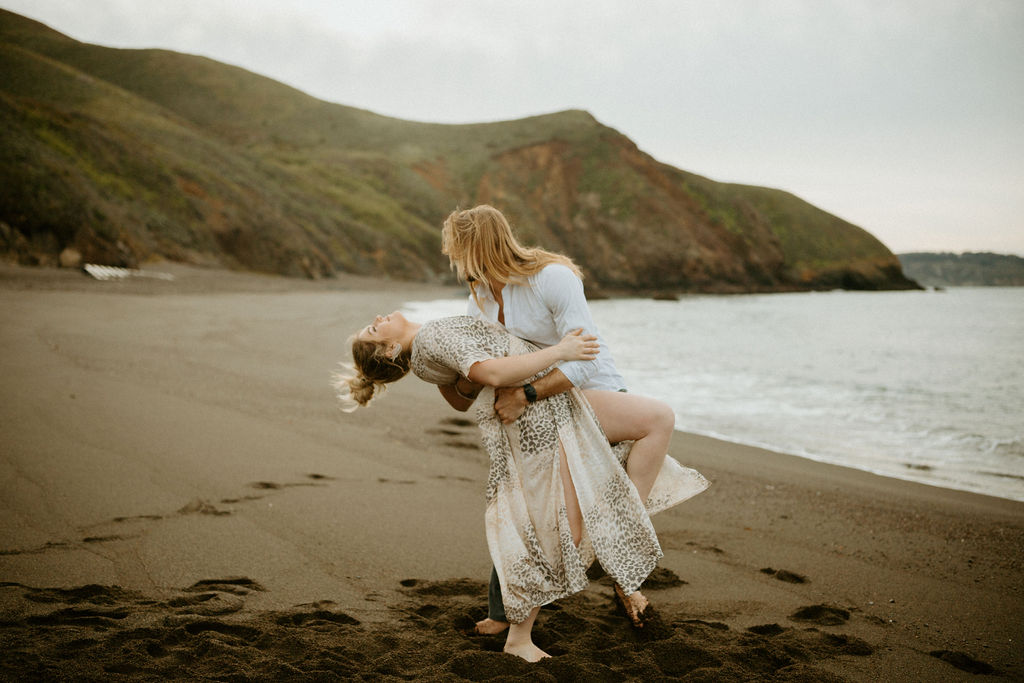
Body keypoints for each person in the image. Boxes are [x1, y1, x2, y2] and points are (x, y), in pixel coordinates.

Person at [335, 311, 708, 662]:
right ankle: (518, 640)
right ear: (390, 350)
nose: (378, 319)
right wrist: (561, 351)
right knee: (552, 528)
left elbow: (461, 398)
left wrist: (474, 373)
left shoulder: (421, 362)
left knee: (654, 421)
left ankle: (620, 527)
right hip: (540, 418)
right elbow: (493, 374)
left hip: (549, 408)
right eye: (373, 329)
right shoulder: (432, 336)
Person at [441, 204, 687, 633]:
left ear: (476, 247)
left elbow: (584, 362)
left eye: (456, 251)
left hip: (591, 393)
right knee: (523, 505)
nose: (453, 262)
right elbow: (486, 364)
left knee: (653, 426)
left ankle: (619, 541)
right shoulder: (477, 298)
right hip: (535, 407)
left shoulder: (552, 278)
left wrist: (526, 393)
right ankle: (504, 614)